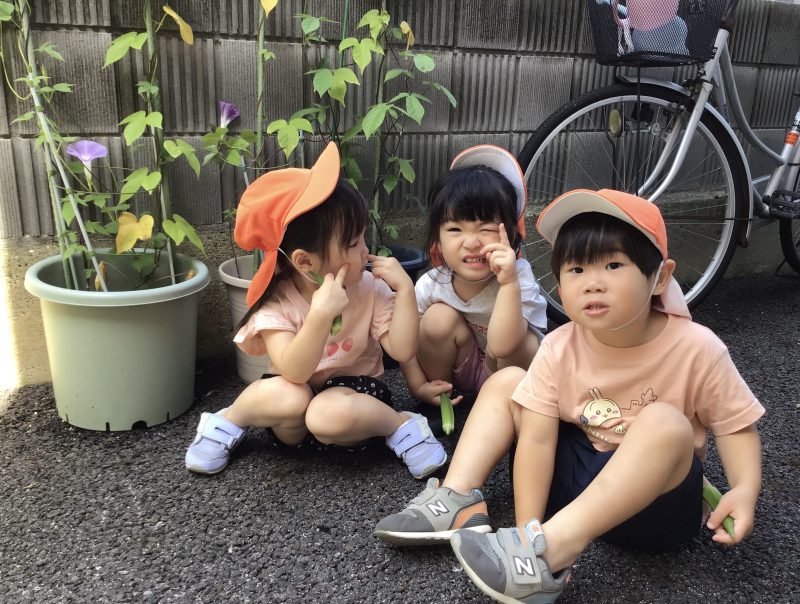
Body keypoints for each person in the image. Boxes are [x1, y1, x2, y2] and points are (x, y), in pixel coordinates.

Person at [374, 189, 764, 603]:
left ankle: (550, 553)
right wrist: (527, 525)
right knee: (509, 383)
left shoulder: (697, 348)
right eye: (576, 269)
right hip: (573, 486)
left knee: (665, 423)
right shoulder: (560, 346)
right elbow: (538, 439)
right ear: (558, 283)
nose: (592, 283)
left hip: (653, 506)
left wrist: (745, 489)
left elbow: (735, 425)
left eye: (613, 265)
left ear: (661, 277)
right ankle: (461, 499)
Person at [184, 142, 447, 480]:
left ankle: (400, 425)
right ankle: (227, 421)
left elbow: (402, 349)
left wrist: (406, 291)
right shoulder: (278, 301)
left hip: (353, 404)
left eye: (363, 238)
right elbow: (294, 371)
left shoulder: (369, 287)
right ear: (305, 262)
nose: (365, 250)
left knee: (327, 414)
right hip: (293, 417)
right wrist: (321, 315)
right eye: (353, 243)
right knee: (287, 396)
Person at [401, 145, 548, 407]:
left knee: (525, 342)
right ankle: (444, 397)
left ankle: (500, 408)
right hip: (464, 366)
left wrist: (508, 284)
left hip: (510, 374)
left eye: (486, 228)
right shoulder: (433, 283)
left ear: (511, 234)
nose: (471, 243)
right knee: (435, 320)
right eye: (455, 230)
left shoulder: (519, 277)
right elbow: (404, 339)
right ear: (437, 239)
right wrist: (418, 386)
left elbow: (502, 348)